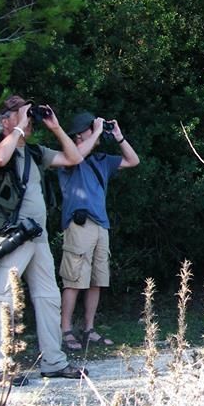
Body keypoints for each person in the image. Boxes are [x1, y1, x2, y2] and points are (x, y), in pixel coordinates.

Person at [0, 95, 87, 385]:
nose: (28, 120)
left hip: (37, 238)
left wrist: (55, 127)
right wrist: (16, 127)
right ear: (5, 121)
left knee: (49, 298)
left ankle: (53, 361)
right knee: (4, 301)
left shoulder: (35, 152)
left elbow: (74, 158)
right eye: (20, 113)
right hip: (11, 237)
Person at [57, 112, 140, 350]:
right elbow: (76, 156)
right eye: (88, 130)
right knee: (73, 280)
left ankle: (89, 329)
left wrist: (119, 136)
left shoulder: (101, 159)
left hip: (101, 225)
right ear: (78, 135)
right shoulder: (69, 156)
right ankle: (65, 330)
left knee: (97, 280)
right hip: (79, 225)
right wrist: (95, 132)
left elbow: (133, 161)